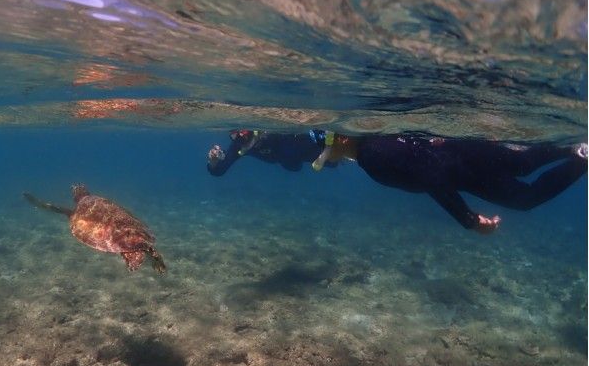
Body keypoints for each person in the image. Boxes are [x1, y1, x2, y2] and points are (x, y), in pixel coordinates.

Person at [207, 129, 587, 234]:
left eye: (324, 141)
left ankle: (578, 151)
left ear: (339, 138)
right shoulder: (368, 154)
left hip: (462, 163)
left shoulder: (373, 154)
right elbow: (431, 176)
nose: (322, 151)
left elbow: (433, 176)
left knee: (524, 166)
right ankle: (579, 154)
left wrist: (467, 219)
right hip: (464, 166)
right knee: (524, 177)